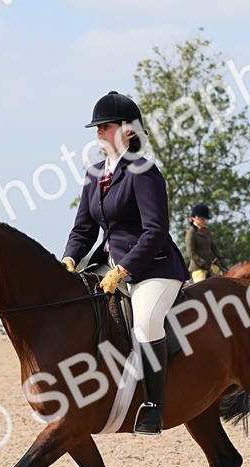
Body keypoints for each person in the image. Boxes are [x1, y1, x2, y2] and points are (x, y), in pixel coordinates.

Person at [61, 91, 188, 435]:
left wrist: (124, 268)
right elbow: (83, 229)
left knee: (145, 321)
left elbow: (156, 230)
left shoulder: (143, 171)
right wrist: (70, 259)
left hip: (153, 267)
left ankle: (154, 407)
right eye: (97, 127)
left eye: (106, 125)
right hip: (109, 264)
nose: (99, 132)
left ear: (129, 131)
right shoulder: (93, 175)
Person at [184, 203, 224, 282]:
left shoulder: (206, 231)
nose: (204, 221)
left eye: (205, 219)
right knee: (200, 288)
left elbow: (213, 246)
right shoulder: (191, 232)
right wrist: (203, 263)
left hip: (210, 264)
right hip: (198, 267)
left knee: (223, 279)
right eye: (202, 219)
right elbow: (190, 252)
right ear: (194, 218)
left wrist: (221, 258)